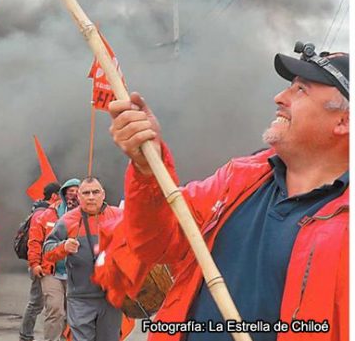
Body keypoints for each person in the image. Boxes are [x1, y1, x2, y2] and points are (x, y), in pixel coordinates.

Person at [107, 44, 349, 341]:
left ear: (344, 121)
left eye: (301, 90)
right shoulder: (237, 178)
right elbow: (156, 244)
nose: (280, 97)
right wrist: (147, 169)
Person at [43, 177, 122, 341]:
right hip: (80, 297)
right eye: (86, 193)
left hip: (112, 297)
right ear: (78, 197)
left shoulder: (118, 215)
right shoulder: (67, 220)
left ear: (103, 194)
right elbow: (47, 249)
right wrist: (63, 247)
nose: (91, 197)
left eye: (95, 192)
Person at [27, 178, 80, 341]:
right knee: (55, 309)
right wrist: (34, 263)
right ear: (63, 193)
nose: (74, 195)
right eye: (70, 191)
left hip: (75, 273)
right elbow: (35, 240)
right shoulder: (48, 214)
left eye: (77, 191)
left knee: (72, 312)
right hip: (50, 271)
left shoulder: (85, 215)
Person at [18, 181, 61, 341]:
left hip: (46, 265)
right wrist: (35, 264)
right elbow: (35, 242)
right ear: (55, 196)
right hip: (41, 266)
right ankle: (25, 335)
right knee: (36, 302)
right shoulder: (41, 214)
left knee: (40, 303)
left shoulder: (42, 211)